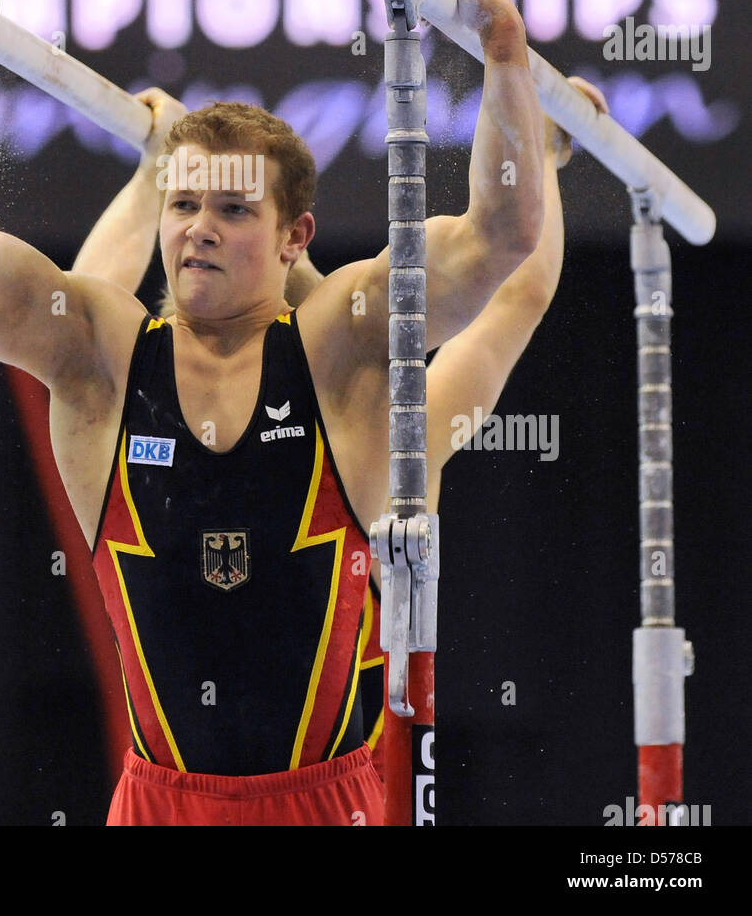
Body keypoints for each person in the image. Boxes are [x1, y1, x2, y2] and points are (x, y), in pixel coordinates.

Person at [0, 0, 545, 825]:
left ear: (296, 234)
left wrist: (503, 44)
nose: (200, 231)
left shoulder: (342, 345)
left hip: (328, 802)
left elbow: (500, 238)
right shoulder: (101, 354)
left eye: (232, 211)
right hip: (159, 806)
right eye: (183, 205)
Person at [72, 75, 608, 777]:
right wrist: (538, 146)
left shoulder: (402, 433)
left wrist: (157, 175)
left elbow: (514, 292)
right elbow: (520, 293)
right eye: (189, 208)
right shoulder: (398, 433)